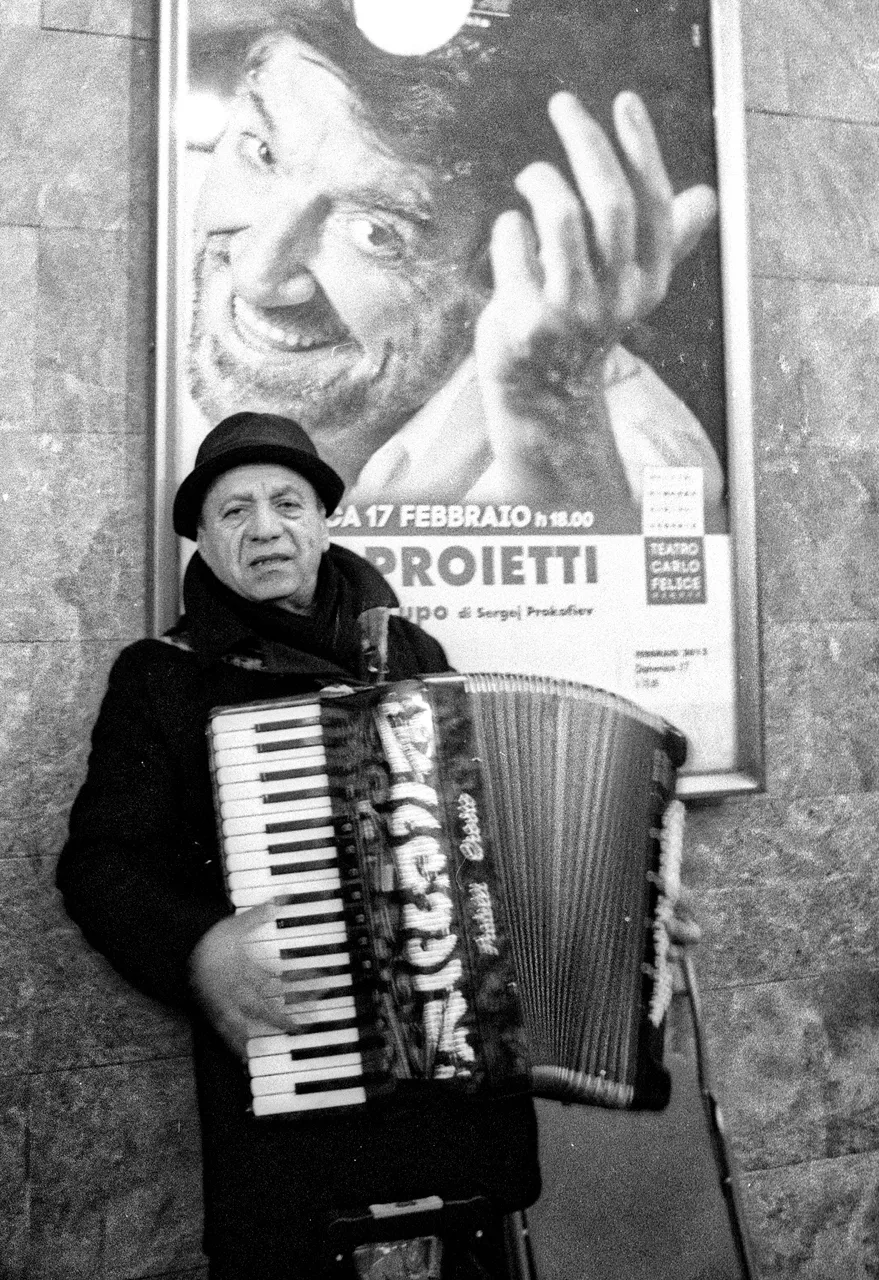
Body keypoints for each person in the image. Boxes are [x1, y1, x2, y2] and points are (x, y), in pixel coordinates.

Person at [56, 411, 540, 1280]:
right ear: (203, 540)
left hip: (450, 1086)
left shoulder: (410, 651)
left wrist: (618, 908)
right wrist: (198, 948)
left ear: (323, 521)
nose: (266, 528)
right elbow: (101, 863)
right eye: (234, 512)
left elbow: (479, 826)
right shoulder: (162, 677)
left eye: (287, 502)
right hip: (297, 1074)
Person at [186, 0, 726, 534]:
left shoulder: (630, 459)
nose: (256, 275)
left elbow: (634, 615)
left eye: (375, 234)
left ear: (512, 271)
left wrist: (554, 433)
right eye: (261, 154)